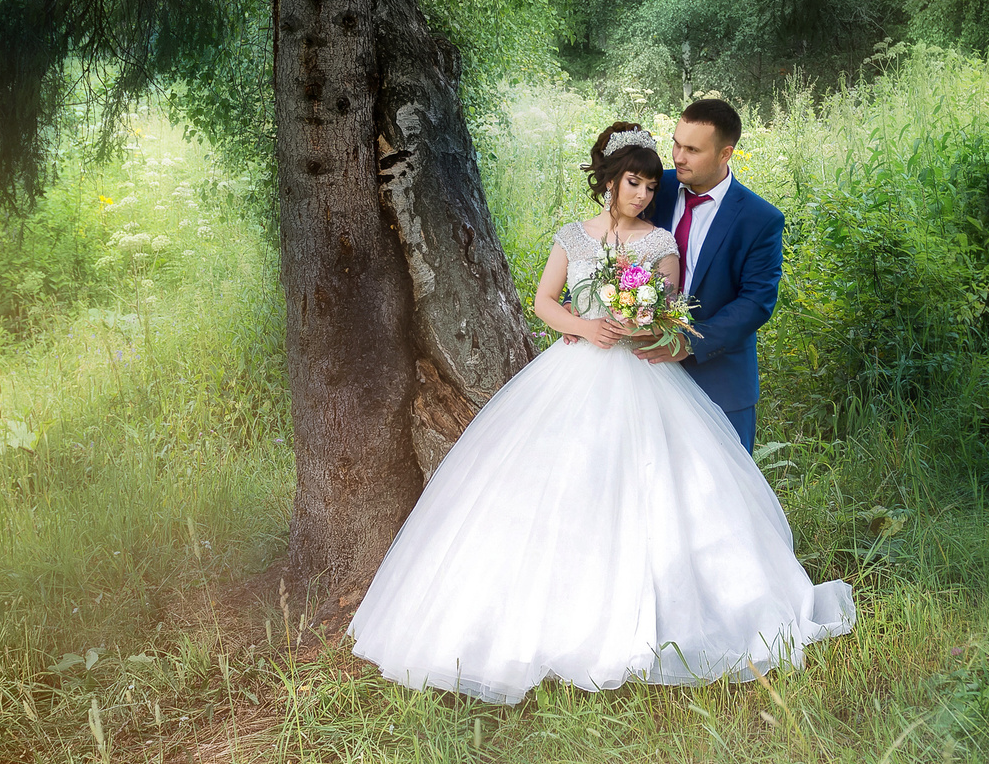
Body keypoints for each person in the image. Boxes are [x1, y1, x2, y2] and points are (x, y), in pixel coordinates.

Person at [347, 119, 852, 703]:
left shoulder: (661, 242)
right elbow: (544, 302)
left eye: (650, 184)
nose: (643, 194)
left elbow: (670, 306)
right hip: (576, 371)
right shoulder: (574, 236)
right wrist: (584, 325)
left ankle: (679, 607)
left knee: (664, 485)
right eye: (633, 182)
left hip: (645, 372)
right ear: (610, 181)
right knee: (561, 485)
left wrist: (642, 321)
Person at [640, 98, 781, 450]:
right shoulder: (653, 190)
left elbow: (756, 301)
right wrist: (581, 300)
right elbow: (611, 243)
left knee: (725, 496)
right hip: (644, 370)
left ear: (725, 154)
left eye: (692, 149)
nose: (677, 156)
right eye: (675, 143)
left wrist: (688, 341)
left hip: (720, 377)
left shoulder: (760, 219)